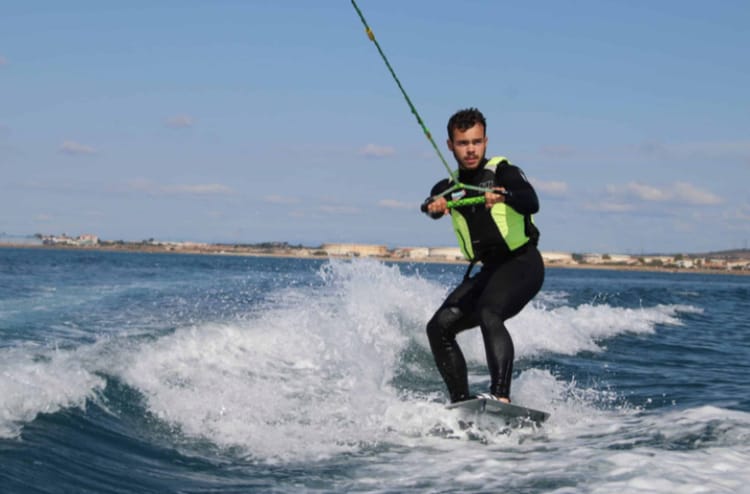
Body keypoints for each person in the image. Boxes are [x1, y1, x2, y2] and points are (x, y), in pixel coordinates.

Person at [421, 107, 544, 404]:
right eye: (463, 143)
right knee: (439, 327)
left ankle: (501, 398)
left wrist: (505, 196)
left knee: (490, 312)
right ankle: (461, 403)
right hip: (488, 272)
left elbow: (531, 201)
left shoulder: (504, 172)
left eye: (476, 142)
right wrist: (432, 207)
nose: (471, 149)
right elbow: (429, 205)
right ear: (450, 145)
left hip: (522, 264)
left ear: (485, 141)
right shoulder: (448, 188)